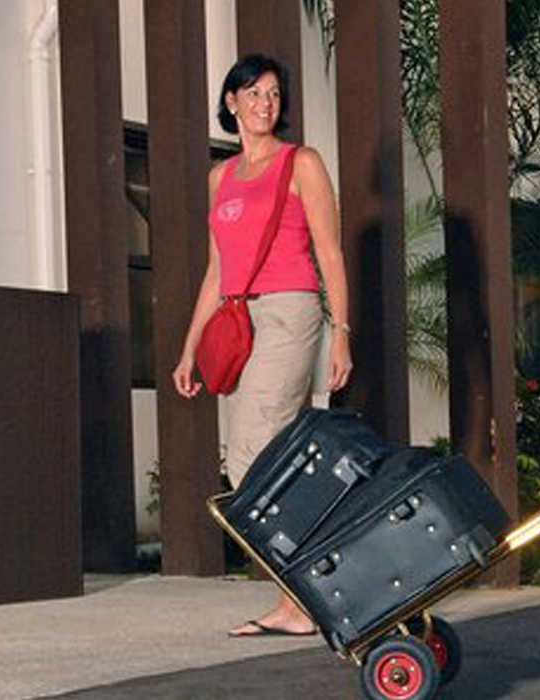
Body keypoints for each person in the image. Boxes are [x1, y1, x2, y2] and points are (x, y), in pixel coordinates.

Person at [171, 54, 353, 639]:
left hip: (290, 313)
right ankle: (303, 593)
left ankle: (300, 594)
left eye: (273, 93)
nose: (264, 103)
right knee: (278, 458)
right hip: (237, 321)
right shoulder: (219, 178)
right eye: (252, 93)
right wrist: (189, 347)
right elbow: (216, 269)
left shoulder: (301, 163)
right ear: (231, 102)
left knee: (248, 454)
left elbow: (329, 254)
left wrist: (341, 333)